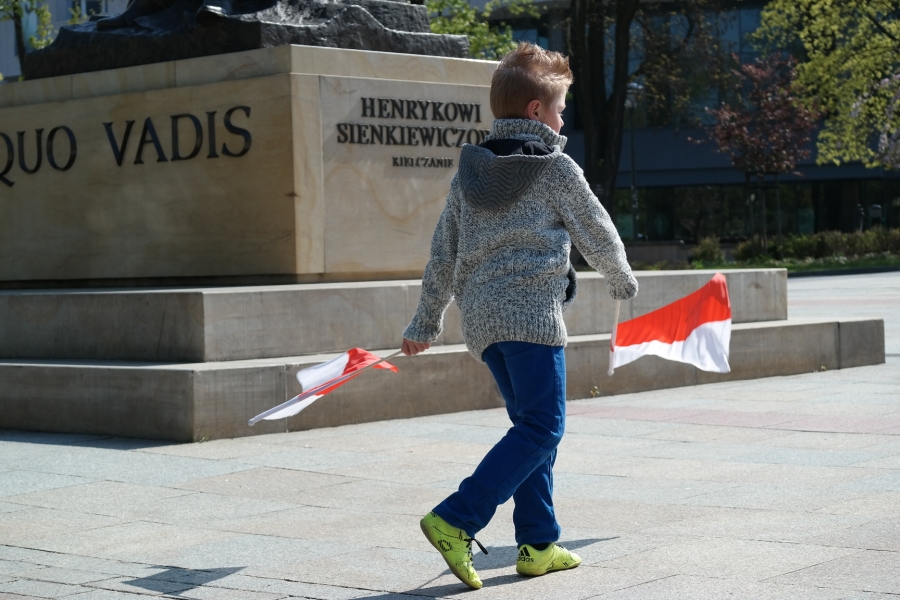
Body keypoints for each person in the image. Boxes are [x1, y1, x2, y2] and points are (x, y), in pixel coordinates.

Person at [400, 41, 638, 589]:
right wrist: (621, 278)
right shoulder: (555, 169)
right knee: (544, 426)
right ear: (536, 111)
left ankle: (539, 543)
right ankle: (457, 517)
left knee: (530, 429)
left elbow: (443, 253)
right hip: (531, 318)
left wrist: (426, 322)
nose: (563, 121)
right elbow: (596, 229)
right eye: (560, 110)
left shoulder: (470, 174)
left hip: (484, 323)